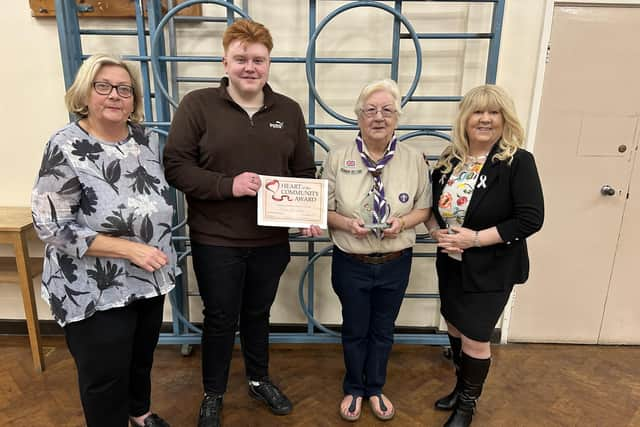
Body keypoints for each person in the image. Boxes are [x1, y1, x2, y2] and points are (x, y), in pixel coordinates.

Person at [162, 19, 320, 427]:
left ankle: (258, 379)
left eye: (258, 60)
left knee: (258, 314)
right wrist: (227, 185)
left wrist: (306, 214)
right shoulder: (197, 105)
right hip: (216, 239)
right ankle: (213, 393)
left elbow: (303, 171)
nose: (250, 67)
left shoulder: (288, 110)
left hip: (270, 241)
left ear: (269, 63)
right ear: (225, 61)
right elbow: (176, 167)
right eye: (241, 59)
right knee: (219, 318)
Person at [31, 54, 177, 427]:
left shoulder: (147, 141)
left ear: (134, 100)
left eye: (124, 89)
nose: (115, 95)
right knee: (104, 375)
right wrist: (127, 248)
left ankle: (138, 414)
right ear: (85, 93)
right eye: (104, 86)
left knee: (141, 358)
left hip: (148, 279)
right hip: (94, 286)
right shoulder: (65, 145)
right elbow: (50, 225)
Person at [426, 85, 544, 427]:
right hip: (451, 265)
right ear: (465, 118)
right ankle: (460, 387)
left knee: (476, 337)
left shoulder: (517, 161)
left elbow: (530, 219)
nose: (485, 119)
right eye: (478, 112)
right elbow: (432, 208)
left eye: (494, 112)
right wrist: (437, 234)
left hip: (493, 268)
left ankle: (467, 405)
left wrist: (474, 239)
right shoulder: (451, 160)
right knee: (454, 325)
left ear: (504, 119)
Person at [323, 79, 431, 422]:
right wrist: (345, 223)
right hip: (351, 260)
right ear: (359, 117)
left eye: (387, 110)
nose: (379, 117)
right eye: (371, 110)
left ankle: (376, 387)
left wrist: (403, 223)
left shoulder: (414, 160)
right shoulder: (337, 158)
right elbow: (322, 210)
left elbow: (424, 209)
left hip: (395, 261)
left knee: (384, 330)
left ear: (397, 118)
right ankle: (354, 387)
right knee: (355, 328)